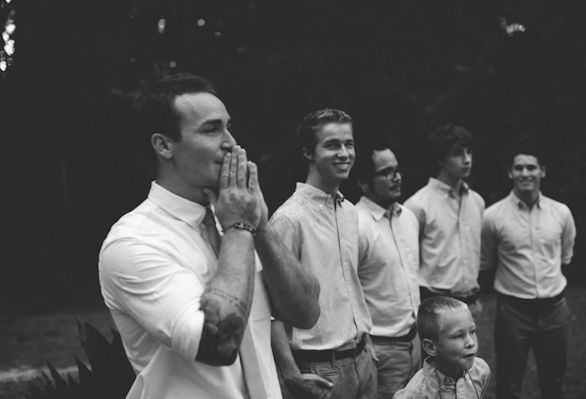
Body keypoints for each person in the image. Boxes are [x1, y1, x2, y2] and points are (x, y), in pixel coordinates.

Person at [98, 73, 320, 399]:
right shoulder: (134, 242)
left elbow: (307, 312)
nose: (231, 142)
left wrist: (260, 226)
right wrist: (239, 228)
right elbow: (217, 343)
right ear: (163, 145)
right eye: (212, 129)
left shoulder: (234, 219)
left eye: (229, 127)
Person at [270, 108, 376, 399]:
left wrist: (367, 348)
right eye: (332, 145)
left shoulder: (350, 212)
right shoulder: (289, 219)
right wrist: (291, 374)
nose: (344, 153)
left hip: (364, 358)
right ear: (308, 152)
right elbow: (269, 311)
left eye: (348, 144)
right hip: (320, 369)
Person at [480, 145, 576, 399]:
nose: (525, 173)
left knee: (554, 383)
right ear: (510, 172)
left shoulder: (562, 213)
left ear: (542, 171)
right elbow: (487, 259)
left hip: (555, 310)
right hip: (513, 313)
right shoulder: (492, 216)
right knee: (509, 386)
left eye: (531, 167)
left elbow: (565, 256)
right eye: (519, 167)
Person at [353, 141, 421, 399]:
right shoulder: (356, 224)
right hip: (380, 349)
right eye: (386, 172)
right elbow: (344, 289)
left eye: (397, 170)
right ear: (363, 182)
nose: (397, 177)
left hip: (415, 342)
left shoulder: (409, 218)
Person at [403, 124, 485, 318]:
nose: (467, 160)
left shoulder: (477, 201)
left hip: (471, 305)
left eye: (469, 153)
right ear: (440, 159)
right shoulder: (417, 205)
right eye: (458, 154)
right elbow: (406, 263)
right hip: (434, 306)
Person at [393, 296, 490, 399]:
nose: (471, 343)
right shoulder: (415, 394)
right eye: (458, 336)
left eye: (472, 331)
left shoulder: (481, 370)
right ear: (431, 347)